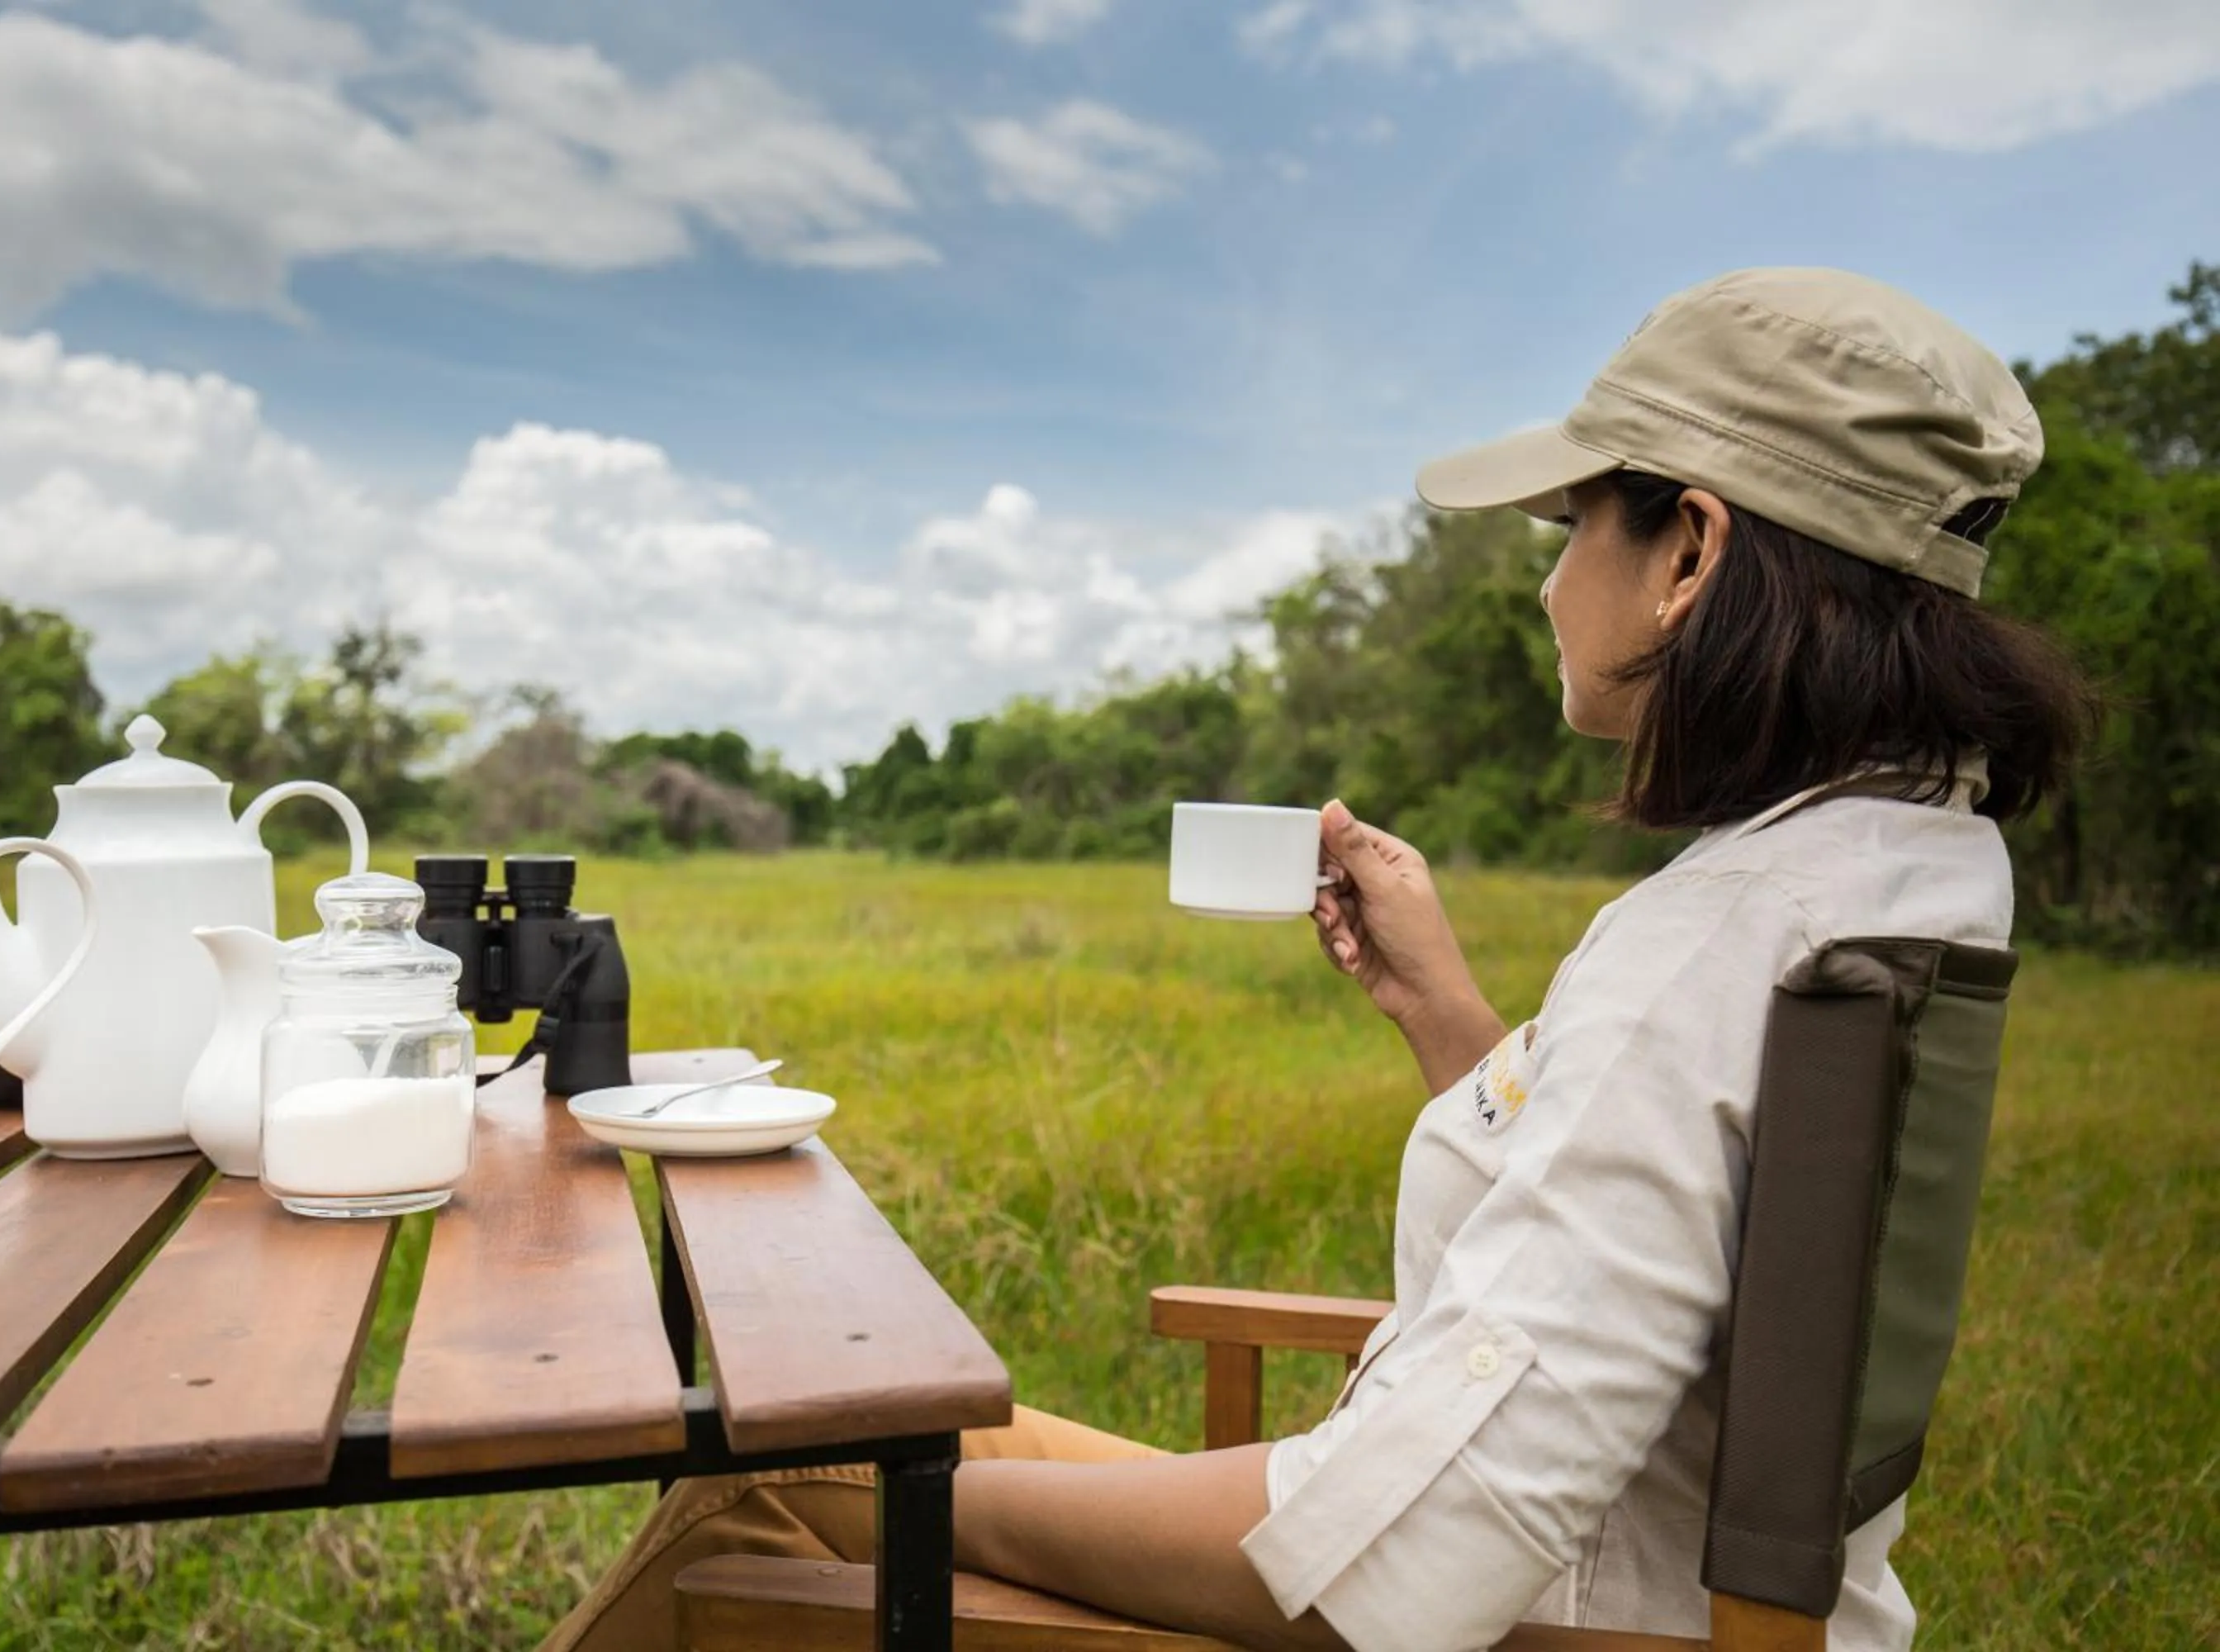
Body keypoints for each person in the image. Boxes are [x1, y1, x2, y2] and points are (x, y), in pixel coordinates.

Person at [540, 267, 2096, 1652]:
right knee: (838, 1460)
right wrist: (1446, 1014)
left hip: (1553, 1618)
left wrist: (928, 1504)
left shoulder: (1711, 944)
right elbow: (1666, 1216)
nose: (1549, 583)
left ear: (1689, 550)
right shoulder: (1905, 860)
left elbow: (1403, 1563)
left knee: (769, 1478)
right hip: (1706, 1599)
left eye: (1568, 530)